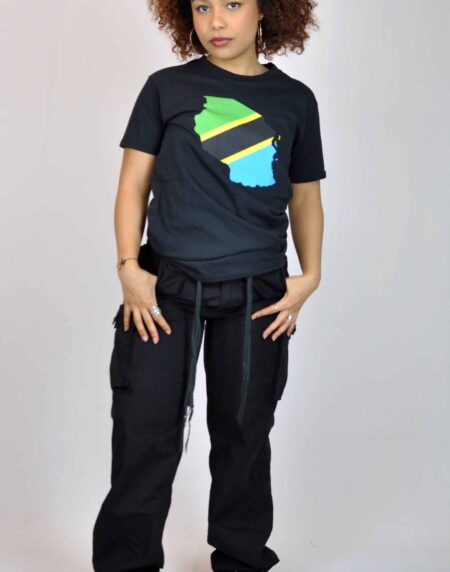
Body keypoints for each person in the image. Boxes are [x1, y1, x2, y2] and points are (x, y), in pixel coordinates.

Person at [92, 0, 327, 570]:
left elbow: (304, 198)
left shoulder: (295, 100)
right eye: (201, 7)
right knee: (144, 432)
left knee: (245, 436)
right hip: (163, 291)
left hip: (258, 295)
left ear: (266, 11)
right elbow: (133, 185)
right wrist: (129, 269)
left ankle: (242, 560)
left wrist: (310, 276)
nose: (215, 21)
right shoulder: (166, 89)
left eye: (232, 4)